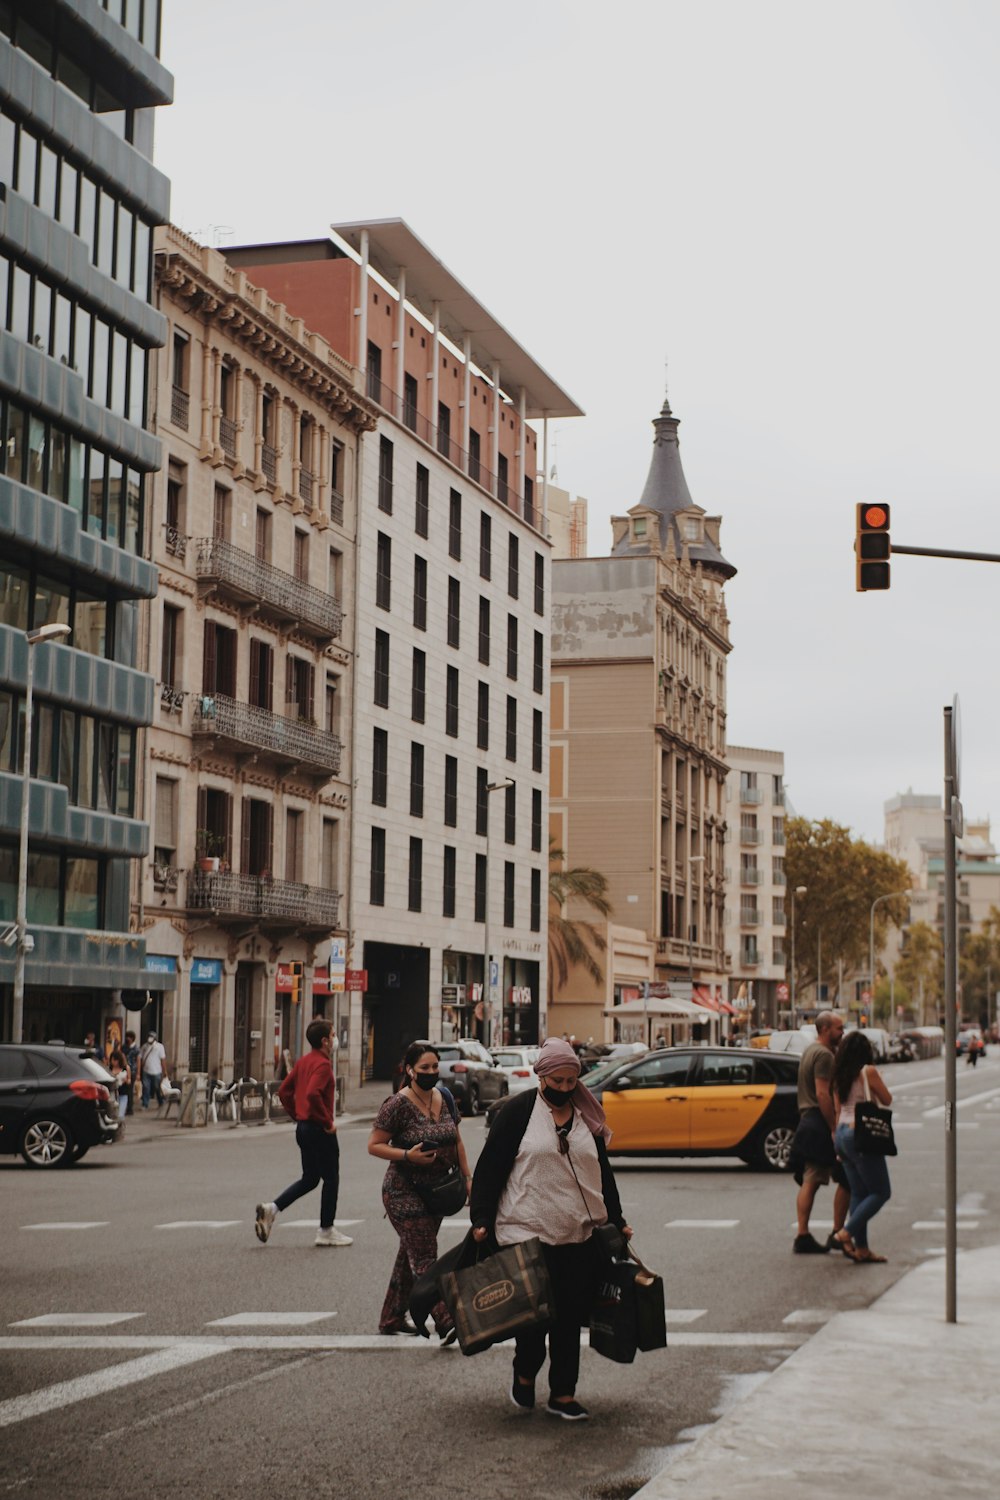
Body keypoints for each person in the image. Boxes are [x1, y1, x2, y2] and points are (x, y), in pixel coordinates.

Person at [470, 1036, 632, 1421]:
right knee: (533, 1319)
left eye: (569, 1082)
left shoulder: (586, 1118)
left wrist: (618, 1220)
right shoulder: (517, 1113)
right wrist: (480, 1220)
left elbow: (602, 1173)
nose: (562, 1089)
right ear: (541, 1076)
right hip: (525, 1233)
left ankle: (563, 1393)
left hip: (578, 1235)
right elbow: (490, 1168)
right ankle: (525, 1372)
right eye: (555, 1082)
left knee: (569, 1318)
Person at [367, 1042, 471, 1343]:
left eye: (434, 1067)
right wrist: (407, 1156)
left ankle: (391, 1318)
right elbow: (374, 1145)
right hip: (403, 1191)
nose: (430, 1073)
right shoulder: (397, 1104)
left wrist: (468, 1178)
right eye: (424, 1068)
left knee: (409, 1254)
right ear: (409, 1070)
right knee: (424, 1254)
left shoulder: (446, 1097)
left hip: (437, 1192)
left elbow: (458, 1141)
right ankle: (444, 1318)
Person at [255, 1019, 351, 1248]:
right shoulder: (323, 1065)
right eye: (334, 1035)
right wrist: (327, 1121)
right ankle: (326, 1230)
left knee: (310, 1178)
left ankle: (272, 1208)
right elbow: (313, 1094)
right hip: (319, 1129)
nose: (336, 1039)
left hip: (304, 1128)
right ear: (325, 1041)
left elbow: (284, 1091)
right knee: (331, 1179)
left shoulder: (304, 1061)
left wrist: (297, 1115)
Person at [831, 1031, 893, 1263]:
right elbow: (886, 1099)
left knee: (859, 1192)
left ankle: (863, 1249)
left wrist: (837, 1143)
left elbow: (838, 1110)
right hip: (861, 1134)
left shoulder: (838, 1074)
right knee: (881, 1192)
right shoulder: (868, 1071)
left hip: (842, 1134)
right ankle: (847, 1232)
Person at [792, 1010, 850, 1254]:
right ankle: (809, 1235)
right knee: (818, 1178)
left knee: (816, 1178)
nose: (842, 1032)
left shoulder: (810, 1050)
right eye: (838, 1028)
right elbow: (823, 1093)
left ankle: (820, 1232)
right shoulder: (824, 1056)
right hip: (818, 1121)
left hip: (808, 1119)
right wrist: (833, 1126)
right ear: (825, 1029)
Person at [138, 1031, 167, 1109]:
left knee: (157, 1087)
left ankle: (161, 1101)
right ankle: (145, 1104)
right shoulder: (144, 1047)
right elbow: (139, 1058)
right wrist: (139, 1071)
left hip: (157, 1071)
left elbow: (163, 1060)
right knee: (146, 1087)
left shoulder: (160, 1047)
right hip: (146, 1071)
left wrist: (164, 1071)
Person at [108, 1046, 131, 1123]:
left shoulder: (126, 1068)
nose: (113, 1062)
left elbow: (129, 1081)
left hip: (123, 1093)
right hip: (113, 1094)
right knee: (113, 1114)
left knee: (121, 1115)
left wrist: (126, 1080)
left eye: (115, 1060)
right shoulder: (109, 1069)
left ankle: (120, 1127)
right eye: (112, 1060)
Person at [123, 1030, 140, 1115]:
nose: (127, 1039)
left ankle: (129, 1108)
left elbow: (138, 1061)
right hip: (124, 1070)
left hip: (132, 1071)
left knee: (129, 1090)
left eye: (129, 1037)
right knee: (125, 1090)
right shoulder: (124, 1047)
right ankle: (126, 1106)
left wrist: (138, 1073)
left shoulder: (136, 1049)